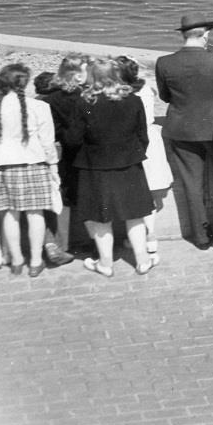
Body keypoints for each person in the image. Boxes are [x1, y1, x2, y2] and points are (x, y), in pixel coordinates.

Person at [155, 13, 213, 250]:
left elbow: (165, 96)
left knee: (191, 185)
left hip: (181, 130)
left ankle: (202, 236)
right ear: (205, 35)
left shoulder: (164, 62)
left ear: (183, 35)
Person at [64, 57, 156, 278]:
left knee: (100, 217)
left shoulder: (86, 103)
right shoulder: (132, 100)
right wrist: (132, 154)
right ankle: (143, 260)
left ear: (93, 77)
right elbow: (142, 136)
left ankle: (105, 263)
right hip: (128, 164)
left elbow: (73, 139)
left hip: (95, 166)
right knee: (135, 214)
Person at [0, 65, 58, 276]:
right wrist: (53, 165)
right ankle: (36, 261)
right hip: (35, 162)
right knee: (36, 213)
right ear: (25, 83)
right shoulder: (39, 106)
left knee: (10, 213)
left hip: (5, 164)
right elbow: (48, 141)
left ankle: (17, 260)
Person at [121, 57, 171, 267]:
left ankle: (140, 237)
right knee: (149, 192)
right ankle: (150, 236)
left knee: (135, 193)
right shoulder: (146, 89)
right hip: (150, 139)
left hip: (132, 141)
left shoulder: (122, 95)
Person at [40, 56, 90, 263]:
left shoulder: (48, 99)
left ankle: (60, 244)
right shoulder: (85, 98)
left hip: (57, 152)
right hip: (80, 153)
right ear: (77, 76)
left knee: (60, 199)